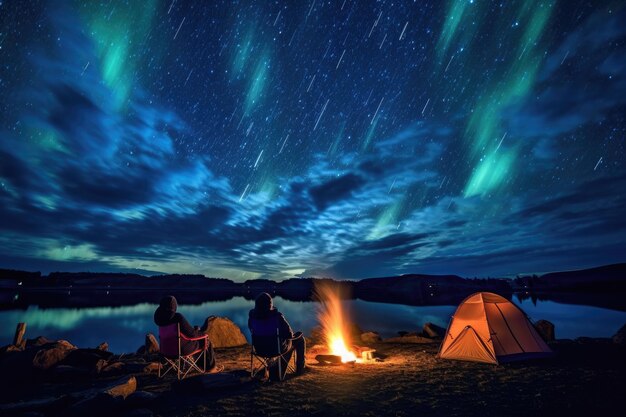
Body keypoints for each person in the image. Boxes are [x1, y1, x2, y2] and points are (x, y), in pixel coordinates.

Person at [248, 292, 306, 380]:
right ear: (270, 304)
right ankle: (300, 370)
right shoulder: (277, 316)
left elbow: (252, 330)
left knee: (279, 343)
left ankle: (273, 367)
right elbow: (289, 335)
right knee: (300, 339)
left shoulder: (252, 317)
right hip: (276, 349)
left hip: (259, 349)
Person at [153, 295, 219, 372]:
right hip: (180, 350)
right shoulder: (178, 318)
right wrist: (202, 333)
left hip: (165, 350)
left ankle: (203, 367)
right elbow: (191, 334)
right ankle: (211, 368)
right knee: (204, 340)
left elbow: (186, 333)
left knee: (196, 341)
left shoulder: (161, 321)